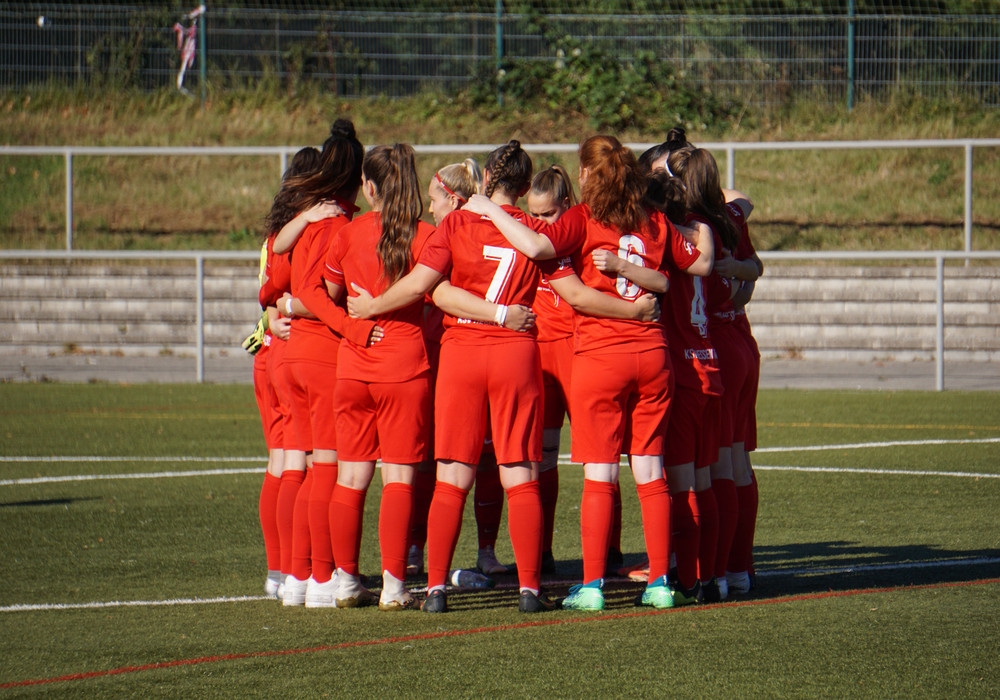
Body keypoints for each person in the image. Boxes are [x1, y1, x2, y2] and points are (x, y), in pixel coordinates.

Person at [349, 140, 654, 613]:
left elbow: (426, 287)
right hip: (515, 355)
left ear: (487, 177)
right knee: (520, 473)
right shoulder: (535, 229)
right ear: (526, 185)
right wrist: (634, 311)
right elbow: (576, 295)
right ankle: (530, 589)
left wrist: (371, 307)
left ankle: (435, 589)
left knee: (452, 475)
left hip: (462, 354)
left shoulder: (456, 223)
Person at [463, 135, 710, 611]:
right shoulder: (654, 219)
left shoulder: (583, 217)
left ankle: (593, 586)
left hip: (601, 355)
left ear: (588, 175)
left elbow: (537, 245)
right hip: (653, 354)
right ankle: (661, 583)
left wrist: (490, 208)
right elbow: (696, 264)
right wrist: (703, 226)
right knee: (651, 470)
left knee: (600, 472)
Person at [268, 120, 379, 608]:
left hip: (294, 356)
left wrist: (284, 307)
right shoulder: (338, 226)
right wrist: (353, 323)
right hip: (322, 354)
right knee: (327, 471)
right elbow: (316, 295)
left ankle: (296, 577)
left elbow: (277, 268)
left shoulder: (310, 220)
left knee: (310, 469)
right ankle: (319, 576)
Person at [322, 143, 434, 609]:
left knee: (351, 477)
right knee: (399, 478)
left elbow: (329, 291)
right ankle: (393, 585)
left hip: (353, 368)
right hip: (403, 368)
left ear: (368, 188)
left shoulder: (347, 235)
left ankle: (347, 580)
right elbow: (429, 288)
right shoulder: (425, 235)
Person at [253, 146, 321, 599]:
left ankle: (279, 571)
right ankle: (295, 571)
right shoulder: (302, 231)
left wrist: (270, 316)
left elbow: (266, 292)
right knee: (299, 462)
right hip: (289, 351)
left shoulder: (278, 230)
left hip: (270, 354)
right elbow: (273, 292)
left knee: (281, 462)